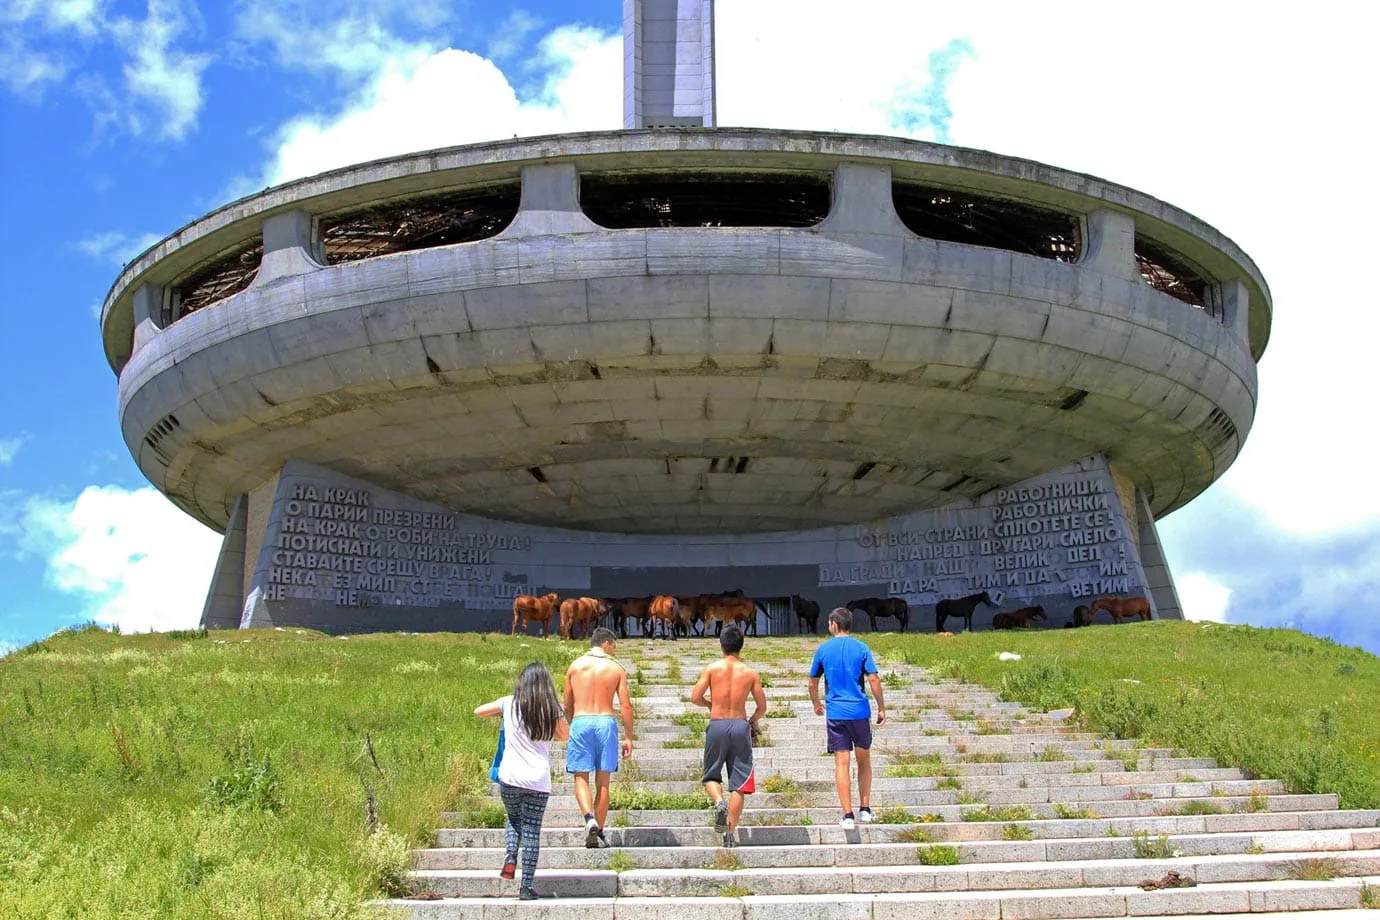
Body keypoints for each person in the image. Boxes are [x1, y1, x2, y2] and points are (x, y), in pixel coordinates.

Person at [474, 662, 569, 901]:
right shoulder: (551, 708)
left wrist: (503, 712)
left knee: (514, 819)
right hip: (538, 780)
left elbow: (478, 711)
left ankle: (510, 855)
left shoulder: (509, 703)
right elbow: (565, 735)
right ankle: (526, 887)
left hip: (510, 777)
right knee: (532, 830)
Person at [808, 606, 887, 829]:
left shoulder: (823, 649)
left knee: (842, 763)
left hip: (836, 713)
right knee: (864, 759)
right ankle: (865, 809)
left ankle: (847, 814)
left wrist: (815, 702)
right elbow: (873, 679)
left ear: (834, 624)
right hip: (860, 711)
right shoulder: (862, 648)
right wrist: (881, 708)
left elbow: (812, 681)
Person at [689, 625, 766, 847]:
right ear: (741, 646)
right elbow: (762, 707)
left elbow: (695, 697)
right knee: (739, 782)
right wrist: (751, 720)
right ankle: (730, 833)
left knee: (711, 775)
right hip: (740, 724)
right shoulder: (750, 673)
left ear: (721, 645)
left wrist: (709, 704)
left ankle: (719, 801)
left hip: (717, 723)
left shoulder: (713, 669)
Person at [563, 626, 634, 848]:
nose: (615, 651)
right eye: (614, 646)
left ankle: (588, 818)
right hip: (605, 722)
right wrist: (629, 737)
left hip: (581, 721)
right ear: (606, 643)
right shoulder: (616, 669)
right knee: (603, 782)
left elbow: (567, 704)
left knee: (580, 778)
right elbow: (625, 705)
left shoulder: (574, 667)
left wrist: (570, 726)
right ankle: (600, 831)